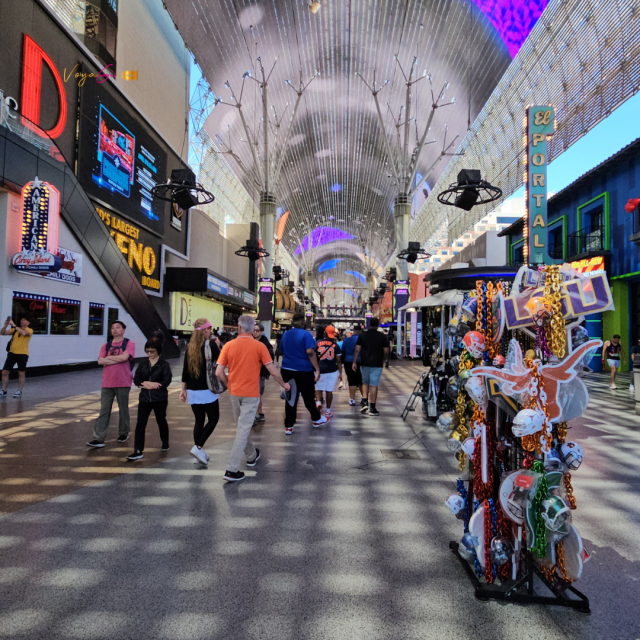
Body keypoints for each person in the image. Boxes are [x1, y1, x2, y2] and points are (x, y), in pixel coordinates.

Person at [216, 315, 290, 482]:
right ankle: (231, 469)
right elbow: (272, 370)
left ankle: (251, 455)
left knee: (242, 427)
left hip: (234, 393)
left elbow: (218, 372)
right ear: (252, 329)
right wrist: (284, 384)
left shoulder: (228, 346)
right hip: (251, 393)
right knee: (243, 429)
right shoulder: (259, 346)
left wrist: (229, 384)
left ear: (239, 327)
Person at [87, 320, 135, 447]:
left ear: (123, 330)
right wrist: (116, 359)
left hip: (123, 381)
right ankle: (98, 438)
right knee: (104, 410)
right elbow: (100, 361)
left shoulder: (129, 343)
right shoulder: (106, 345)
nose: (115, 330)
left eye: (118, 327)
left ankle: (124, 432)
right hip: (107, 382)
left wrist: (108, 358)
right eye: (113, 328)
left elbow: (124, 358)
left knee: (123, 409)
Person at [280, 313, 328, 435]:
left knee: (291, 397)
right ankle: (316, 419)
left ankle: (289, 426)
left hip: (287, 369)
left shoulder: (286, 335)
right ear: (303, 321)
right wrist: (317, 369)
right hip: (303, 370)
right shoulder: (306, 335)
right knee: (308, 396)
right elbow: (310, 352)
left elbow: (282, 350)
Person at [180, 318, 220, 465]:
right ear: (205, 330)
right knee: (214, 418)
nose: (210, 331)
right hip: (207, 389)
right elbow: (221, 362)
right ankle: (198, 447)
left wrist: (183, 389)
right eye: (209, 328)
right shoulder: (211, 345)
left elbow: (185, 370)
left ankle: (198, 453)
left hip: (192, 390)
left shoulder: (190, 347)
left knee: (199, 420)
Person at [126, 338, 173, 460]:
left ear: (158, 351)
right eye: (147, 351)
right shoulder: (143, 364)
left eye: (152, 351)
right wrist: (146, 384)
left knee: (161, 420)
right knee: (140, 424)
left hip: (160, 398)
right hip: (145, 398)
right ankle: (138, 450)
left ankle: (165, 441)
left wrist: (153, 385)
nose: (149, 353)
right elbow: (137, 379)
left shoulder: (164, 364)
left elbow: (166, 381)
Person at [353, 317, 389, 417]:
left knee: (365, 382)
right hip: (377, 363)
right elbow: (386, 351)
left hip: (364, 363)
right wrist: (383, 359)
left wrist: (354, 362)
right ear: (378, 325)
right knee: (374, 385)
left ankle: (364, 402)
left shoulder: (363, 335)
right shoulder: (382, 336)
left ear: (369, 324)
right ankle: (372, 408)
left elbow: (357, 350)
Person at [1, 317, 33, 398]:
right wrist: (5, 326)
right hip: (12, 353)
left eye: (24, 320)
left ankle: (19, 390)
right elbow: (2, 333)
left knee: (21, 373)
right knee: (5, 372)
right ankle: (4, 390)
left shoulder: (29, 330)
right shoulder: (15, 330)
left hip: (23, 354)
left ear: (28, 323)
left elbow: (24, 333)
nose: (22, 322)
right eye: (21, 320)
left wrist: (14, 325)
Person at [315, 325, 343, 417]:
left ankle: (318, 403)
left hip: (320, 370)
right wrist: (340, 373)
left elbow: (313, 357)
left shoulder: (317, 343)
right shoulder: (336, 345)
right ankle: (328, 410)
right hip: (332, 370)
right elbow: (338, 361)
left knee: (318, 388)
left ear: (325, 333)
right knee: (329, 391)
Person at [252, 323, 274, 423]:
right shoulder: (249, 341)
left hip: (260, 372)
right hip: (250, 372)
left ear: (261, 332)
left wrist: (267, 373)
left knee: (257, 394)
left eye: (257, 330)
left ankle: (258, 413)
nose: (255, 332)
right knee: (254, 394)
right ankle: (258, 413)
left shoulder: (265, 344)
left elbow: (270, 359)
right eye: (253, 330)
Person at [342, 325, 363, 406]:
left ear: (353, 331)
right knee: (361, 380)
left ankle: (352, 399)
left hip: (348, 361)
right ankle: (363, 398)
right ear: (360, 331)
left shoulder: (347, 340)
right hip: (361, 361)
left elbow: (343, 351)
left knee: (351, 381)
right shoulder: (363, 340)